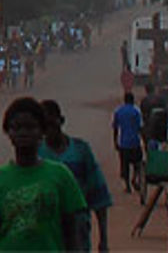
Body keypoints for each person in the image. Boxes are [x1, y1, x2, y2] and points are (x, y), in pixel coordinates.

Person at [0, 97, 86, 251]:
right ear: (8, 132)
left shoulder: (61, 175)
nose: (23, 133)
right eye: (16, 128)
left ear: (42, 131)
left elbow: (71, 234)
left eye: (30, 127)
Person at [40, 100, 112, 252]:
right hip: (45, 236)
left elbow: (99, 195)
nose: (49, 131)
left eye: (52, 124)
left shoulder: (81, 151)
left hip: (78, 232)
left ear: (61, 121)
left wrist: (104, 239)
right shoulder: (36, 155)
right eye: (44, 127)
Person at [112, 92, 143, 194]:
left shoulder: (119, 111)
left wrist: (115, 141)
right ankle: (134, 178)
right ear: (133, 100)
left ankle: (128, 186)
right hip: (135, 142)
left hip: (123, 143)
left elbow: (115, 128)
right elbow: (140, 127)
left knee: (125, 166)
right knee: (137, 164)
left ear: (124, 100)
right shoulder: (136, 111)